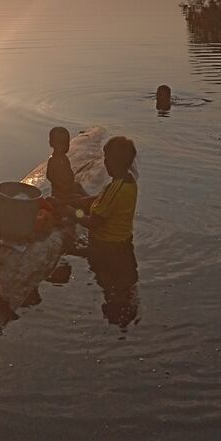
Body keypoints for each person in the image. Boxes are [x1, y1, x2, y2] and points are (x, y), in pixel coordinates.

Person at [77, 135, 139, 328]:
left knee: (105, 277)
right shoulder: (128, 183)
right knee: (114, 284)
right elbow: (101, 200)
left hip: (107, 248)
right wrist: (75, 202)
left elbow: (94, 223)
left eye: (107, 158)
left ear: (117, 162)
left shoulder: (116, 188)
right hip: (123, 245)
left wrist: (70, 214)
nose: (105, 163)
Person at [45, 126, 87, 209]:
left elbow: (69, 170)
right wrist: (61, 185)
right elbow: (49, 176)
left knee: (77, 186)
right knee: (75, 199)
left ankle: (87, 198)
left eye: (66, 143)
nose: (64, 147)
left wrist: (71, 178)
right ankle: (82, 202)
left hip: (68, 186)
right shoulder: (52, 160)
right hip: (59, 192)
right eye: (61, 144)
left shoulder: (65, 158)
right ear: (51, 143)